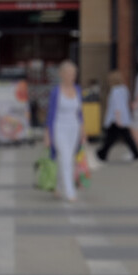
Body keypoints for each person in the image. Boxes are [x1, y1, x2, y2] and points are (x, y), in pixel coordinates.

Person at [45, 59, 85, 203]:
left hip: (74, 128)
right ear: (61, 74)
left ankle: (59, 186)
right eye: (68, 73)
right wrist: (47, 134)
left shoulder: (78, 90)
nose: (71, 76)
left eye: (73, 73)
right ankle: (70, 192)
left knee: (67, 159)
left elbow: (80, 113)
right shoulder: (56, 91)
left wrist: (83, 132)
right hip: (59, 127)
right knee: (66, 157)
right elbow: (50, 113)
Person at [97, 70, 138, 162]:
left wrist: (118, 119)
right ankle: (102, 153)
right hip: (124, 117)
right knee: (122, 137)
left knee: (112, 138)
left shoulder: (115, 91)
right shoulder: (124, 89)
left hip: (115, 118)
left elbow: (117, 106)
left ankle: (102, 153)